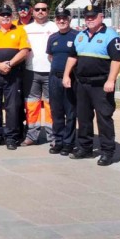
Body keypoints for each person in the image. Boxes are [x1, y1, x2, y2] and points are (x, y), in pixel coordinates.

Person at [63, 5, 120, 166]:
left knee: (104, 118)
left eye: (93, 16)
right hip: (82, 83)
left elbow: (117, 60)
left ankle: (107, 151)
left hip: (101, 84)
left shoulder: (111, 36)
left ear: (101, 17)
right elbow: (72, 57)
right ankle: (85, 148)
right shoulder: (81, 36)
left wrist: (111, 80)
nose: (89, 19)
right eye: (87, 17)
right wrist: (66, 75)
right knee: (83, 117)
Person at [0, 5, 30, 150]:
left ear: (12, 16)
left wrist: (9, 64)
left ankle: (11, 138)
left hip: (13, 74)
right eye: (2, 15)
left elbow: (24, 50)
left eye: (8, 14)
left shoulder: (20, 30)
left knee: (13, 107)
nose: (5, 17)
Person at [22, 2, 59, 146]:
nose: (40, 12)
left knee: (51, 105)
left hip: (51, 72)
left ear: (48, 11)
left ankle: (53, 136)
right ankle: (32, 135)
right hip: (31, 71)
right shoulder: (26, 29)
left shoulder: (55, 27)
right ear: (33, 11)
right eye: (37, 9)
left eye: (44, 9)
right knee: (32, 105)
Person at [45, 8, 78, 156]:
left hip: (71, 79)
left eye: (64, 18)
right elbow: (50, 56)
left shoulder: (77, 36)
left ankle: (68, 143)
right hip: (54, 78)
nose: (61, 21)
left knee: (70, 112)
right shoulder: (52, 38)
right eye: (58, 18)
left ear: (69, 19)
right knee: (56, 111)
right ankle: (58, 141)